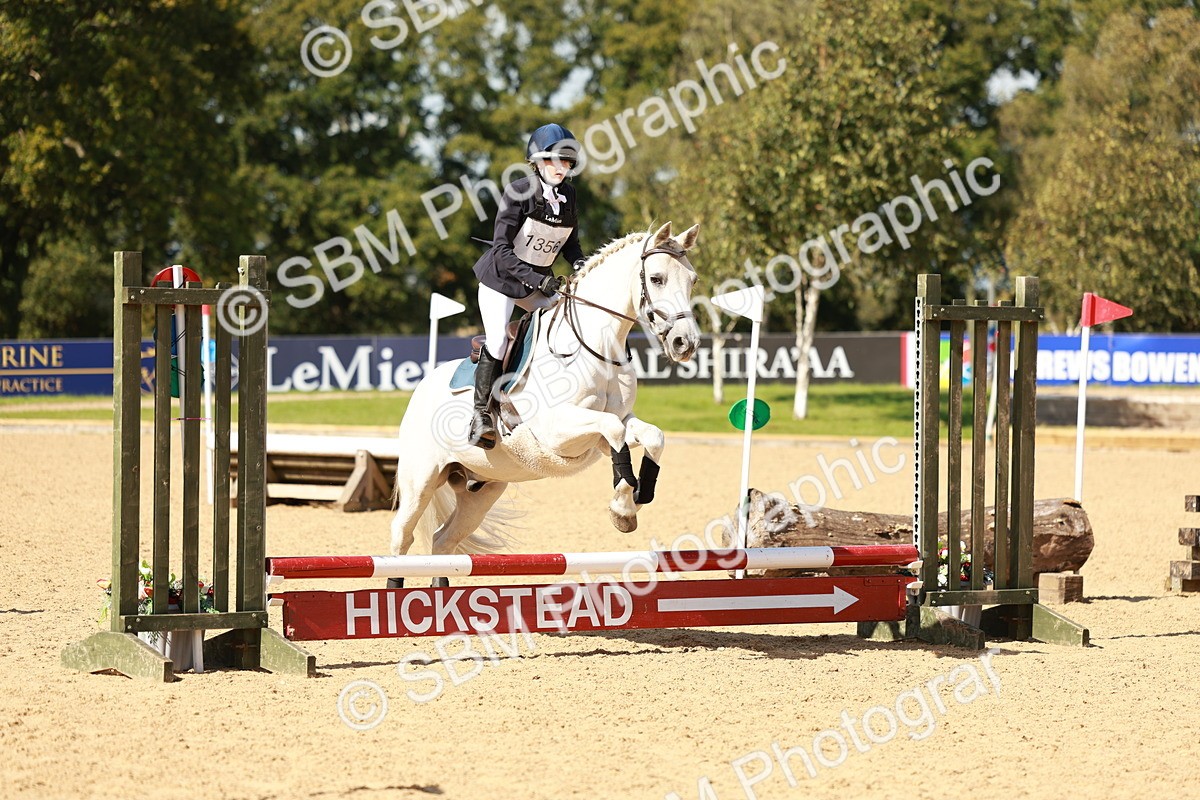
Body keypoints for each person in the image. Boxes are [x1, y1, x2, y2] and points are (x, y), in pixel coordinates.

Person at [468, 123, 587, 449]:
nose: (561, 168)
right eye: (554, 161)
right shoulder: (518, 192)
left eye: (567, 162)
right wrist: (540, 280)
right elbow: (503, 251)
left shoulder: (569, 196)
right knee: (497, 340)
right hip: (500, 281)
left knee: (561, 328)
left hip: (536, 284)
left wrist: (580, 264)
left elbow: (570, 244)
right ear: (537, 162)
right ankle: (481, 416)